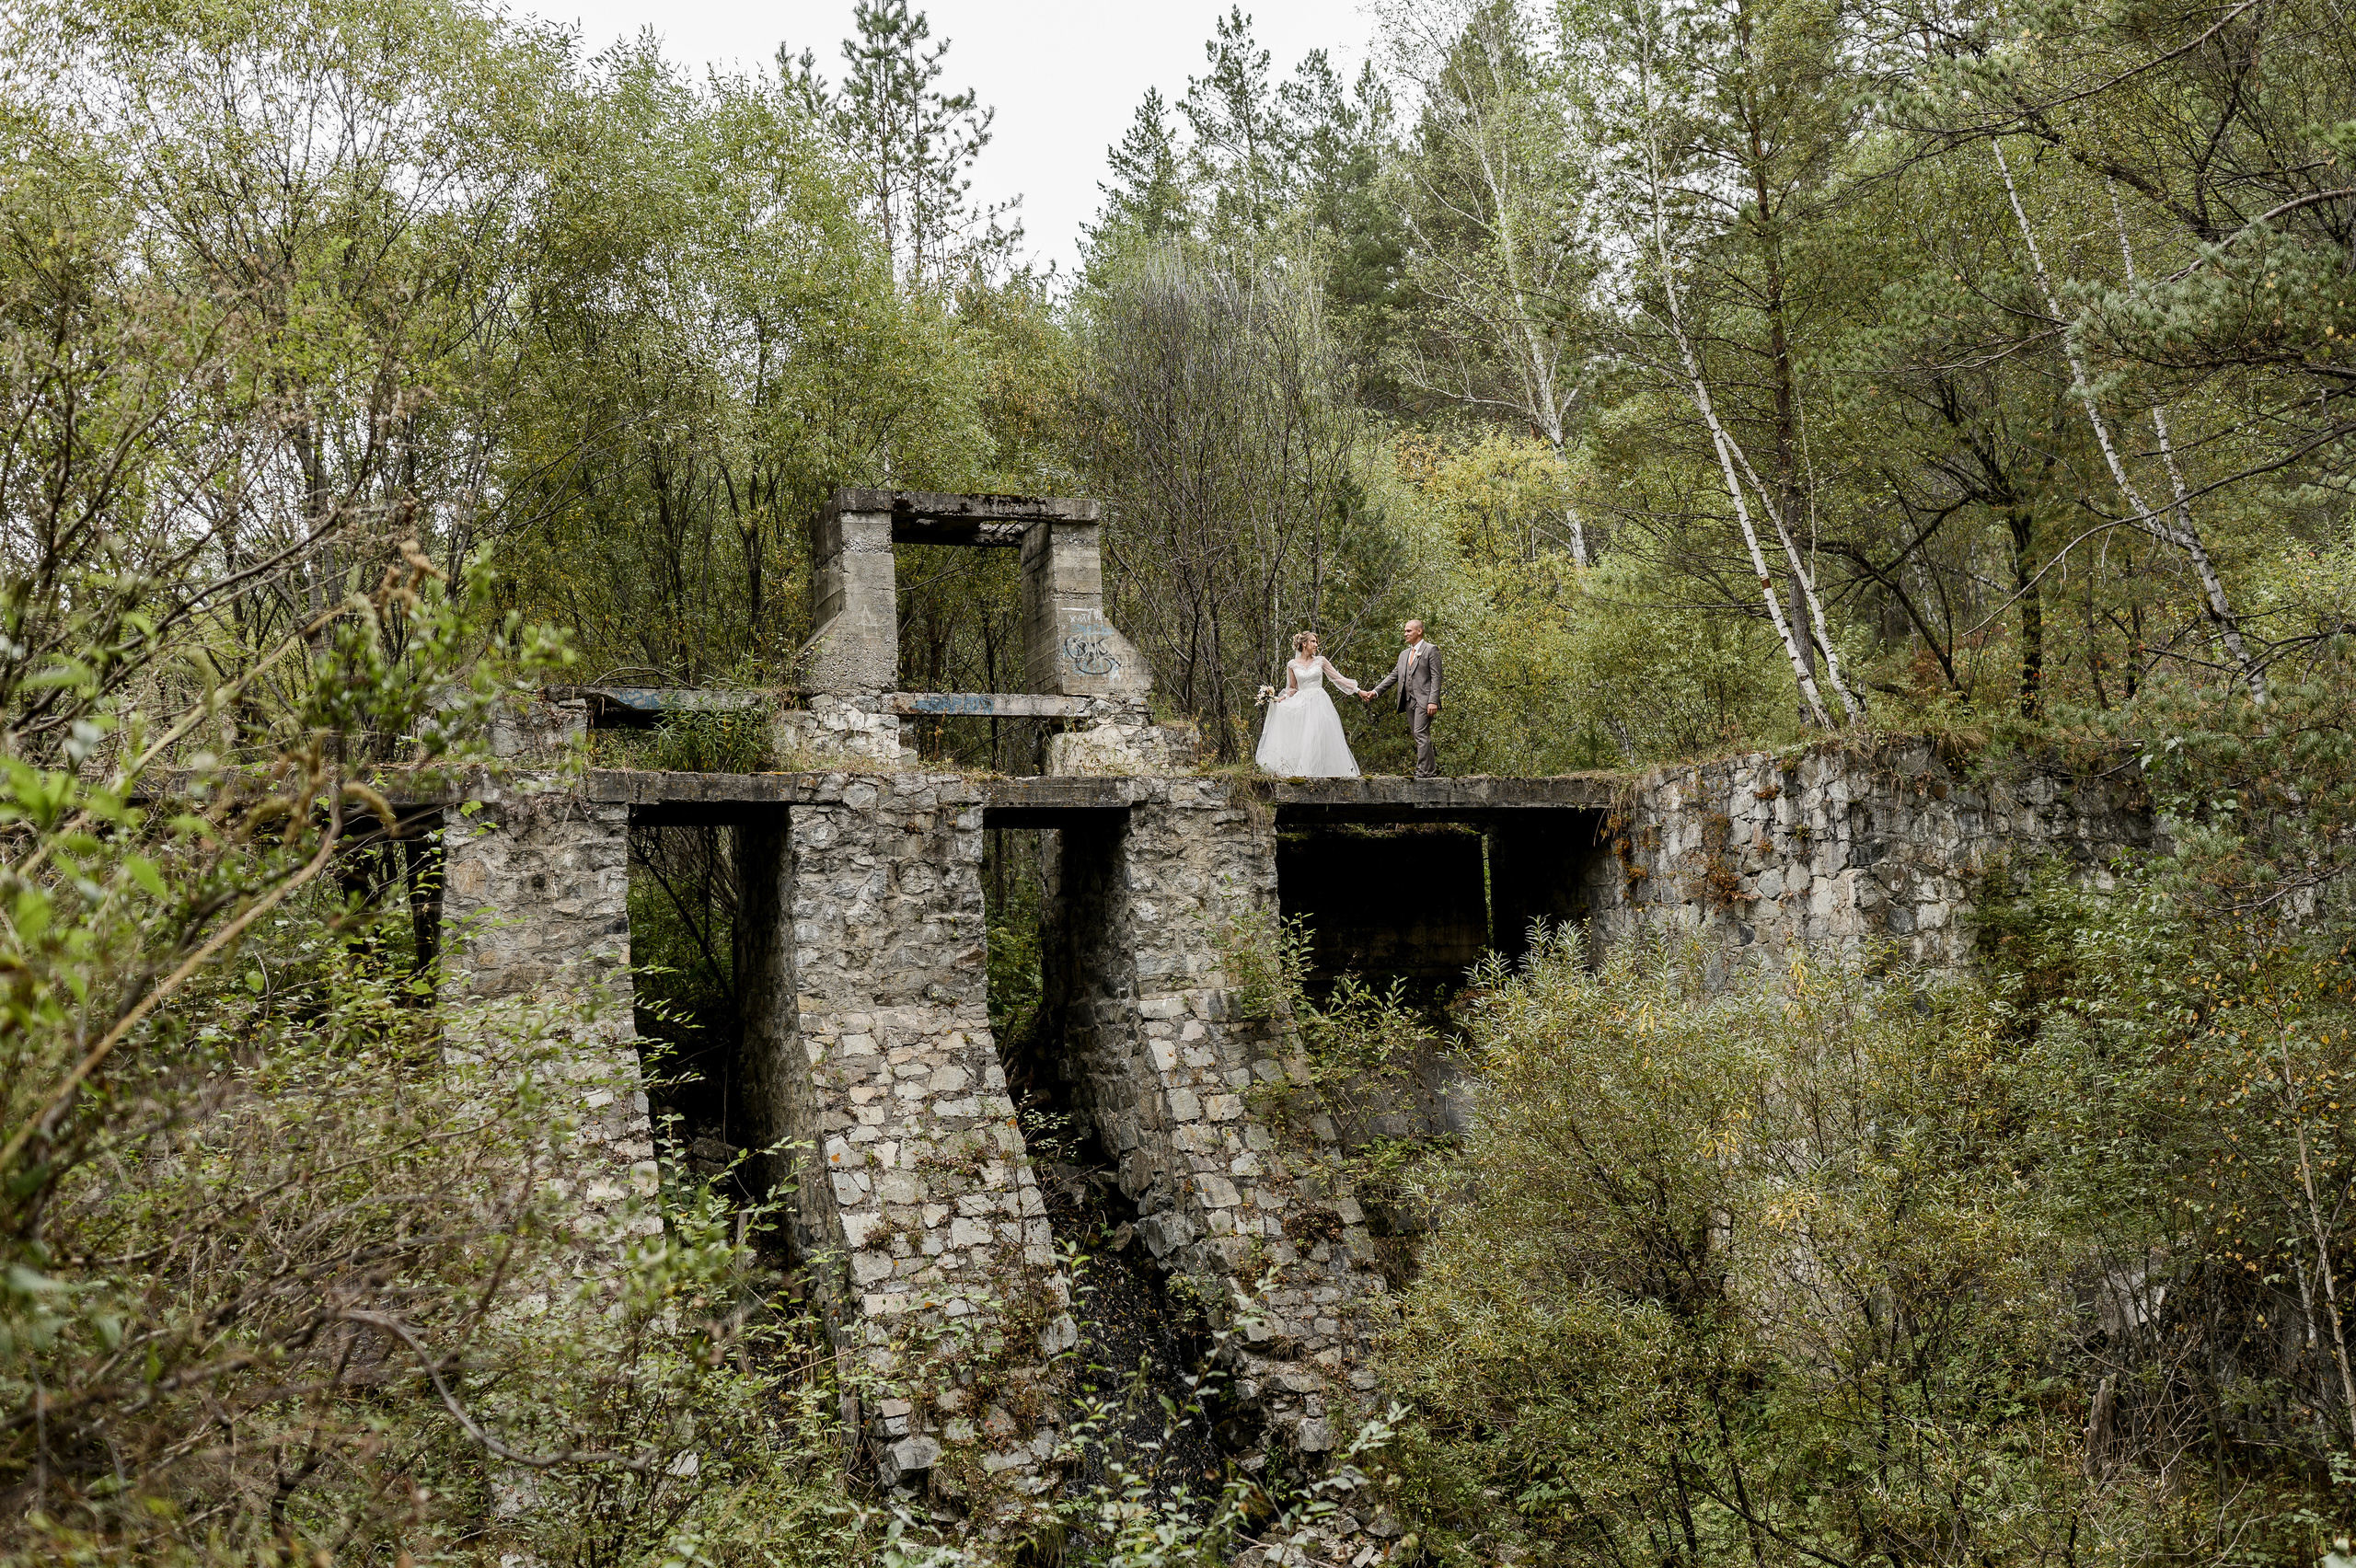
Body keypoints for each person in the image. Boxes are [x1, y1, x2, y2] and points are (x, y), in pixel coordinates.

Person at [1254, 631, 1363, 778]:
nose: (1316, 645)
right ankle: (1305, 774)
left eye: (1316, 642)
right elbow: (1293, 687)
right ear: (1304, 643)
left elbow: (1338, 678)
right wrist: (1281, 699)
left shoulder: (1321, 661)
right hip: (1302, 704)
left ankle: (1321, 773)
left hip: (1319, 703)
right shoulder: (1292, 664)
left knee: (1317, 736)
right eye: (1313, 641)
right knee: (1305, 739)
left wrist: (1358, 690)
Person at [1361, 619, 1443, 778]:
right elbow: (1394, 676)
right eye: (1405, 631)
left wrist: (1433, 700)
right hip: (1408, 701)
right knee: (1419, 735)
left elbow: (1437, 677)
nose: (1405, 634)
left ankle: (1422, 772)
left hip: (1425, 701)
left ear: (1419, 631)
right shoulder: (1404, 654)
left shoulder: (1431, 650)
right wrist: (1375, 692)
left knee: (1420, 733)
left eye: (1409, 631)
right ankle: (1430, 771)